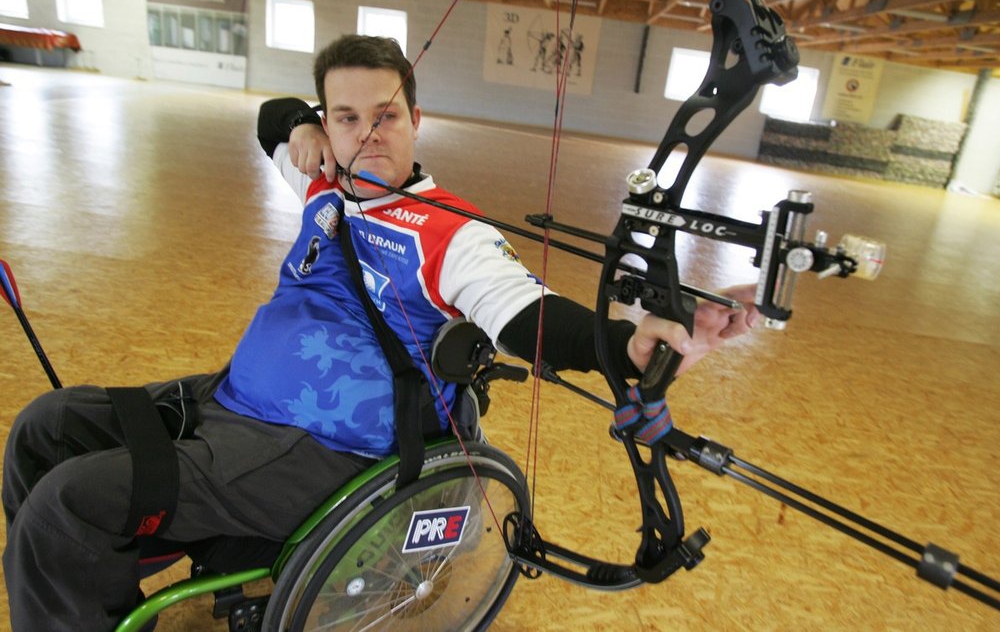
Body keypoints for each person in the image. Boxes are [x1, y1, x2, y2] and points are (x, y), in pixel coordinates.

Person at [2, 34, 758, 631]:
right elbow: (271, 117)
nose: (367, 136)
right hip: (231, 404)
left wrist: (626, 342)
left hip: (322, 450)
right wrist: (298, 122)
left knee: (67, 501)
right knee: (43, 429)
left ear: (416, 121)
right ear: (328, 123)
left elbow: (527, 316)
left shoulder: (451, 232)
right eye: (346, 117)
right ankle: (92, 578)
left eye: (386, 116)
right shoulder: (322, 178)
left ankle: (82, 560)